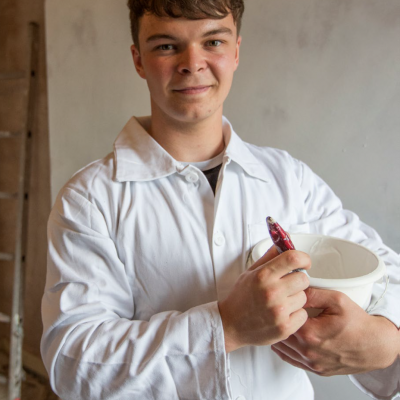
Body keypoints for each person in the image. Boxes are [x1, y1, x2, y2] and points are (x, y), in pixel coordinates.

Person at [41, 1, 400, 399]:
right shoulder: (89, 199)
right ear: (138, 60)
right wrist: (226, 326)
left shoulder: (290, 179)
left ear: (236, 52)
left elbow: (386, 273)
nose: (192, 64)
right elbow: (73, 365)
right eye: (166, 46)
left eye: (213, 41)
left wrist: (388, 340)